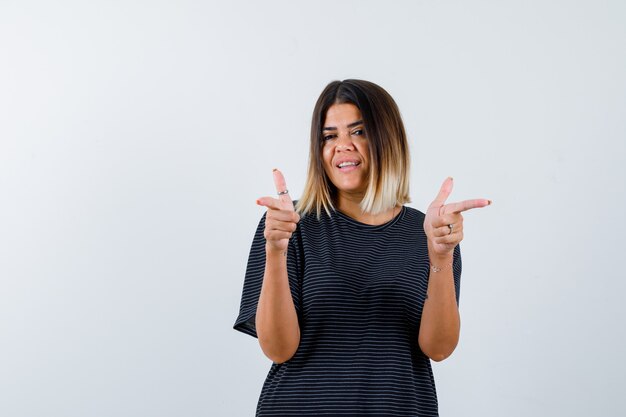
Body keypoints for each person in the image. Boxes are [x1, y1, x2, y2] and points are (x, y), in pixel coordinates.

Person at [234, 79, 490, 416]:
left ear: (387, 139)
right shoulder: (288, 225)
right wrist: (276, 251)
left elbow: (439, 348)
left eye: (358, 132)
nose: (342, 146)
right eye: (329, 136)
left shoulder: (430, 230)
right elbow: (278, 349)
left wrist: (440, 254)